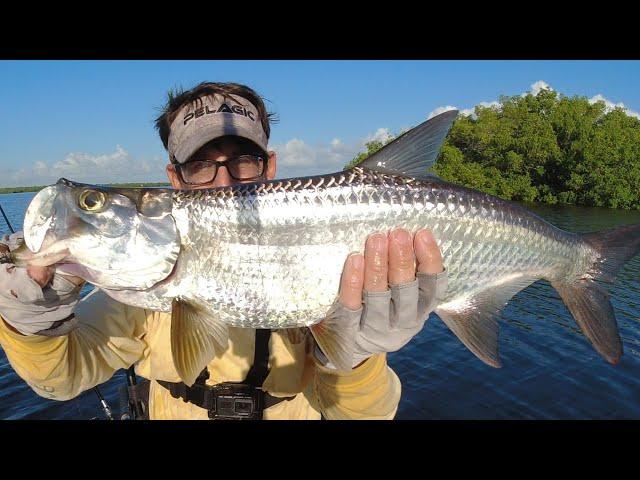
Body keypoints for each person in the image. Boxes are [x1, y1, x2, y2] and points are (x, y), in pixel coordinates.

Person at [0, 82, 447, 420]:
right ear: (174, 180)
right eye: (199, 165)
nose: (225, 181)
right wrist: (32, 320)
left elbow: (365, 415)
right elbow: (58, 381)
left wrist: (357, 358)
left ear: (269, 167)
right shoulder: (134, 296)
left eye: (243, 160)